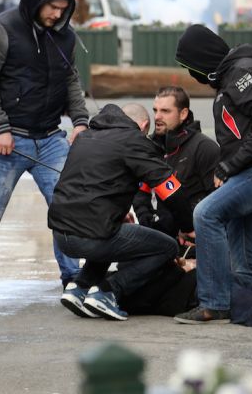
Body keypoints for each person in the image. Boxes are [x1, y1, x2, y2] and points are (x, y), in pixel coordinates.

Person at [0, 0, 90, 309]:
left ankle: (72, 280)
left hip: (50, 138)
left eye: (63, 9)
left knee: (67, 210)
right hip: (8, 140)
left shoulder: (65, 36)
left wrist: (80, 121)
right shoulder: (0, 30)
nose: (57, 15)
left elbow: (70, 81)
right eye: (52, 8)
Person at [172, 25, 252, 325]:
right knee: (246, 270)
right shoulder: (231, 78)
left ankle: (214, 303)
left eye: (191, 69)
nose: (193, 77)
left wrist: (229, 167)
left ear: (203, 61)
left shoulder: (244, 74)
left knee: (206, 213)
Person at [48, 103, 196, 321]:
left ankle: (79, 287)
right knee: (166, 246)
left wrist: (116, 212)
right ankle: (109, 292)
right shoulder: (134, 141)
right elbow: (170, 191)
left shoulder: (86, 137)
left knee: (114, 232)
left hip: (61, 235)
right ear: (144, 126)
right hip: (91, 235)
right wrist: (188, 227)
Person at [133, 86, 220, 243]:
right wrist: (149, 225)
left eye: (165, 111)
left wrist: (188, 230)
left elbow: (217, 203)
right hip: (157, 237)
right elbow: (141, 193)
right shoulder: (150, 148)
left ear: (183, 114)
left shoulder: (205, 148)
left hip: (195, 239)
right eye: (155, 110)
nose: (157, 117)